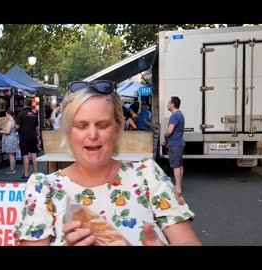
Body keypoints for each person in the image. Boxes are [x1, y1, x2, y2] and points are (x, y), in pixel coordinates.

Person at [13, 80, 201, 246]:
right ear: (68, 131)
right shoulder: (44, 189)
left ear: (118, 129)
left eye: (102, 125)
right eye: (81, 125)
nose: (93, 135)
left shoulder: (148, 176)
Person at [164, 96, 185, 194]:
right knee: (180, 165)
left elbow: (170, 131)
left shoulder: (174, 116)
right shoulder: (180, 114)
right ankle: (179, 185)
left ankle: (178, 188)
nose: (167, 104)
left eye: (169, 103)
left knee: (175, 166)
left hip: (175, 144)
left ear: (173, 104)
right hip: (179, 142)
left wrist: (165, 136)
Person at [15, 97, 39, 179]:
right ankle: (36, 173)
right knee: (34, 154)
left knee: (25, 155)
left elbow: (17, 127)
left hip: (24, 137)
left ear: (24, 104)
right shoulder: (34, 114)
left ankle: (26, 174)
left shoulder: (20, 114)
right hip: (33, 136)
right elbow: (36, 127)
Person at [0, 109, 18, 175]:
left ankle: (12, 169)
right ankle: (13, 167)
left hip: (10, 139)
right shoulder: (13, 120)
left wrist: (1, 131)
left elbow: (8, 132)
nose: (6, 115)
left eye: (6, 114)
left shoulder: (10, 122)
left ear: (8, 114)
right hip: (13, 138)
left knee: (11, 154)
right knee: (12, 154)